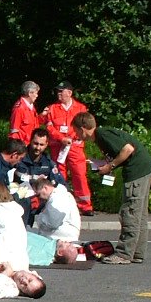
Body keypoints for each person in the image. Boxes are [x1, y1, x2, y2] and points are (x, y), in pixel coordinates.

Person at [72, 111, 151, 265]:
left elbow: (128, 149)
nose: (76, 134)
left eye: (76, 130)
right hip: (143, 169)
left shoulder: (102, 135)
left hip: (136, 172)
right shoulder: (102, 136)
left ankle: (124, 254)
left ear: (83, 128)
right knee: (139, 214)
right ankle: (137, 252)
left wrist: (110, 165)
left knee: (130, 212)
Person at [42, 81, 94, 215]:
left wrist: (70, 138)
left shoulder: (81, 108)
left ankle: (85, 206)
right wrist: (61, 138)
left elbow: (84, 125)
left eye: (61, 91)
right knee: (59, 175)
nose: (58, 94)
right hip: (58, 147)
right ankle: (60, 204)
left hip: (75, 147)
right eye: (57, 91)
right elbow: (49, 127)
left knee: (79, 175)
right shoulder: (52, 108)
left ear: (69, 93)